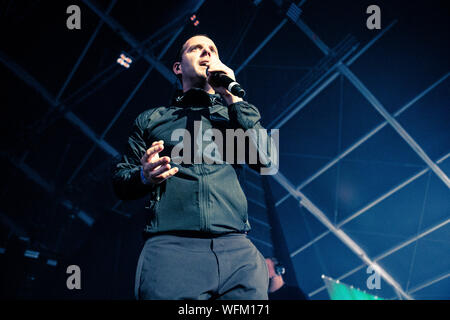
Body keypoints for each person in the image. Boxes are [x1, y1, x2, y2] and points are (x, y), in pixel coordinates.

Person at [112, 34, 277, 300]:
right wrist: (144, 175)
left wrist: (233, 100)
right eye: (196, 48)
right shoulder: (152, 119)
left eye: (212, 49)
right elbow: (121, 179)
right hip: (172, 250)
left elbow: (268, 161)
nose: (206, 53)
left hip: (237, 251)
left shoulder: (233, 115)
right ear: (178, 67)